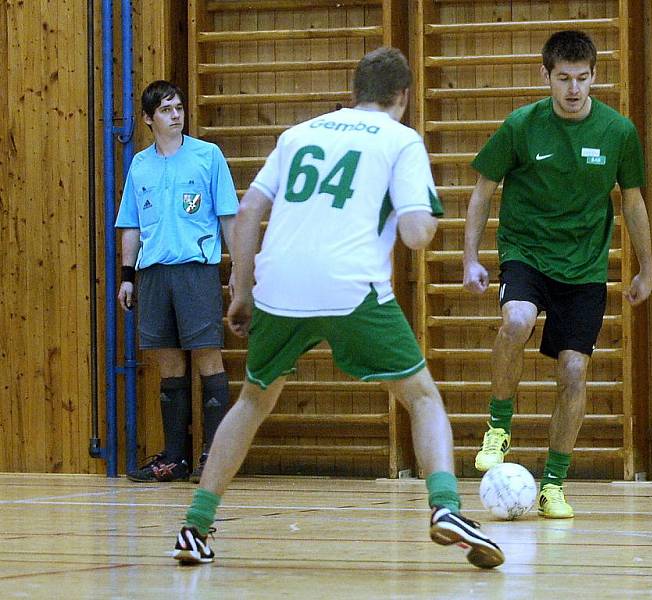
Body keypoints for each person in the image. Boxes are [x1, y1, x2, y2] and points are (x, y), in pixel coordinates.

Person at [171, 47, 504, 570]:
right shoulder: (401, 140)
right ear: (404, 97)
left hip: (278, 284)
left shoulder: (299, 134)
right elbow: (417, 235)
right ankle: (446, 508)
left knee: (253, 400)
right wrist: (419, 214)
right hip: (350, 286)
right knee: (420, 397)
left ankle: (194, 525)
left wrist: (241, 288)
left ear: (354, 93)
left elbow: (251, 208)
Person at [464, 31, 652, 519]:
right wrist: (471, 258)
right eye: (564, 78)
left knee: (573, 369)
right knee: (517, 319)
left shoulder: (618, 132)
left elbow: (632, 202)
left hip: (584, 265)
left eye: (583, 78)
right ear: (544, 75)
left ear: (595, 76)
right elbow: (484, 190)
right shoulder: (521, 126)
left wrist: (646, 267)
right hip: (526, 251)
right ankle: (498, 426)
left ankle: (552, 484)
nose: (574, 89)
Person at [115, 80, 239, 483]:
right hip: (153, 275)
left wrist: (239, 268)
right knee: (168, 364)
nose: (176, 115)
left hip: (195, 271)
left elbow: (228, 217)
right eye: (167, 110)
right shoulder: (141, 164)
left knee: (207, 356)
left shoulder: (208, 156)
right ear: (149, 119)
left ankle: (214, 456)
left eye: (179, 108)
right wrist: (127, 276)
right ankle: (174, 457)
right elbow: (131, 225)